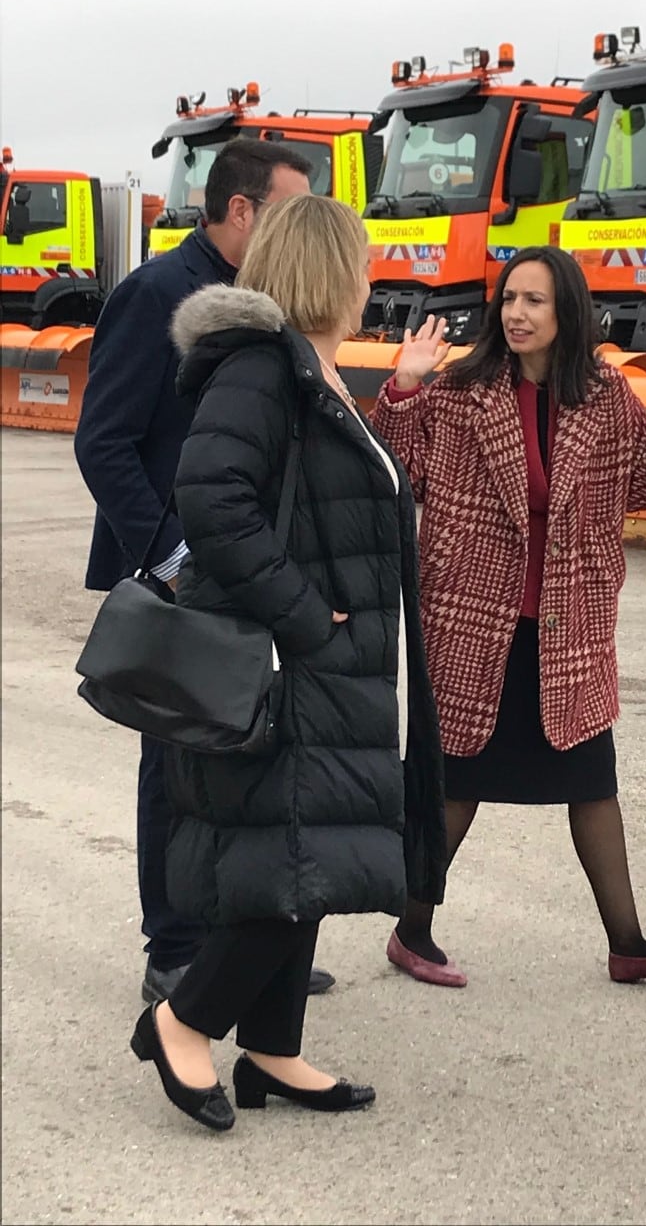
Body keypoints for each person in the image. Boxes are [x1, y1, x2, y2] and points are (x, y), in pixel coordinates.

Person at [130, 193, 447, 1131]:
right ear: (330, 270)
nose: (369, 280)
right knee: (294, 847)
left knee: (302, 853)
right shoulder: (264, 369)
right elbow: (211, 498)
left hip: (333, 661)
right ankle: (183, 1021)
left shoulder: (313, 370)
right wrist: (306, 618)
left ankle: (273, 1049)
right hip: (295, 658)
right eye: (362, 262)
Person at [371, 244, 646, 988]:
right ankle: (412, 930)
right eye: (509, 299)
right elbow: (403, 476)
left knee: (593, 782)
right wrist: (401, 391)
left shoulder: (606, 394)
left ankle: (628, 943)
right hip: (472, 614)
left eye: (535, 300)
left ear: (568, 312)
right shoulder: (461, 391)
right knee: (456, 780)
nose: (517, 314)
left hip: (571, 619)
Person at [74, 138, 337, 1003]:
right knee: (179, 764)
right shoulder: (155, 293)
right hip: (184, 577)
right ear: (240, 211)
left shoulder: (270, 304)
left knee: (249, 762)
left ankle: (244, 945)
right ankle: (175, 947)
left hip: (256, 570)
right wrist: (174, 552)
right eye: (290, 210)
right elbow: (103, 441)